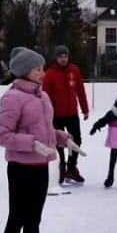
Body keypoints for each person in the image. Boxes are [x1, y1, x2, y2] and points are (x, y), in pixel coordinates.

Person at [0, 46, 84, 233]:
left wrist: (63, 138)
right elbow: (2, 135)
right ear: (24, 72)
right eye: (38, 69)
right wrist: (30, 143)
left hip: (41, 166)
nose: (43, 73)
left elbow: (45, 130)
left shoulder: (41, 97)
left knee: (34, 218)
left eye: (43, 68)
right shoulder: (12, 98)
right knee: (17, 219)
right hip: (20, 167)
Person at [41, 45, 90, 185]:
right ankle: (61, 166)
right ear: (56, 58)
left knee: (76, 140)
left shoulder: (74, 70)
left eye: (65, 56)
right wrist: (46, 114)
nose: (63, 59)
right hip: (56, 115)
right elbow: (45, 95)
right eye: (61, 56)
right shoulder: (49, 73)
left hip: (72, 113)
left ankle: (72, 166)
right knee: (59, 142)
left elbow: (80, 90)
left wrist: (85, 109)